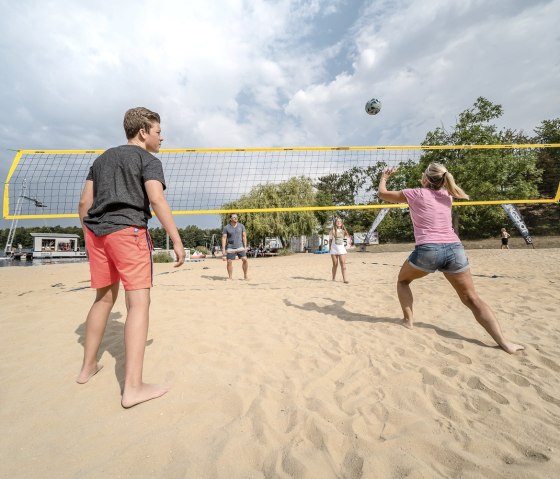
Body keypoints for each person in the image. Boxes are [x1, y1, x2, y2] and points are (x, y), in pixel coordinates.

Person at [77, 107, 186, 408]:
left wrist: (91, 234)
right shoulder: (148, 159)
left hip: (98, 235)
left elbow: (85, 201)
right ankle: (134, 387)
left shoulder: (101, 159)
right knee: (138, 304)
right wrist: (176, 240)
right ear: (143, 132)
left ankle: (87, 368)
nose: (162, 137)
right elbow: (156, 199)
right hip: (129, 233)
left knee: (103, 298)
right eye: (158, 131)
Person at [378, 163, 524, 354]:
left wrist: (384, 178)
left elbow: (382, 193)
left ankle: (408, 321)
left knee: (403, 281)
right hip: (455, 250)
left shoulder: (414, 193)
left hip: (429, 250)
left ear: (425, 179)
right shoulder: (448, 196)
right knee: (472, 299)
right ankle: (505, 343)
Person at [222, 213, 249, 279]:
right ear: (230, 219)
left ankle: (245, 275)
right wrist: (223, 249)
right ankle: (230, 277)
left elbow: (244, 236)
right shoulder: (226, 227)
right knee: (229, 261)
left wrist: (245, 246)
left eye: (236, 217)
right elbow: (224, 238)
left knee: (245, 259)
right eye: (234, 217)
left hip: (240, 246)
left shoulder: (241, 226)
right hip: (230, 247)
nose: (236, 218)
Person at [329, 217, 349, 283]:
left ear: (342, 223)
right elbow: (330, 240)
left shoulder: (344, 231)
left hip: (341, 249)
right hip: (334, 249)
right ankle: (333, 278)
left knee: (343, 263)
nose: (339, 222)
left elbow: (348, 239)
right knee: (335, 264)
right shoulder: (332, 231)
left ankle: (345, 279)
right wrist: (330, 248)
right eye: (337, 221)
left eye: (340, 221)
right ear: (335, 222)